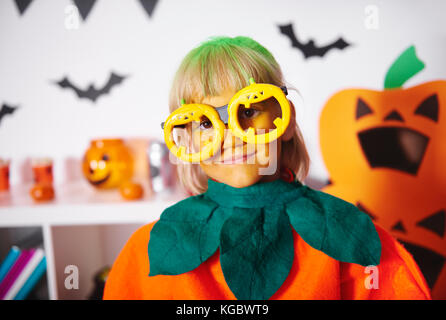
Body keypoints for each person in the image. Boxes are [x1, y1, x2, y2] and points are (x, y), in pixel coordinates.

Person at [103, 36, 430, 300]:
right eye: (204, 122)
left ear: (285, 119)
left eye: (248, 110)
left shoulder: (355, 242)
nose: (230, 135)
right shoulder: (142, 256)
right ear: (185, 141)